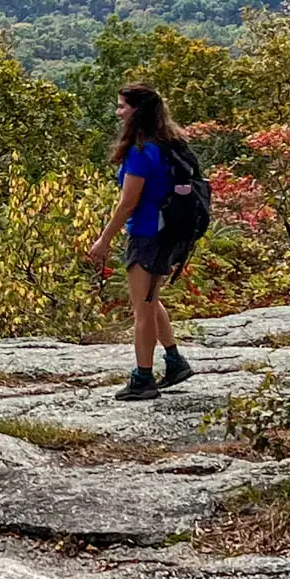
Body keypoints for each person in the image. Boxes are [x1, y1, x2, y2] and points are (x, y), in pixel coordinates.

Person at [87, 83, 195, 402]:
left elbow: (128, 202)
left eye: (122, 106)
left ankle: (143, 378)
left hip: (147, 234)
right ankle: (174, 361)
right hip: (168, 232)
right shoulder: (168, 144)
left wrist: (104, 240)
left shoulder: (140, 151)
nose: (118, 112)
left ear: (136, 111)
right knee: (151, 299)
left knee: (142, 310)